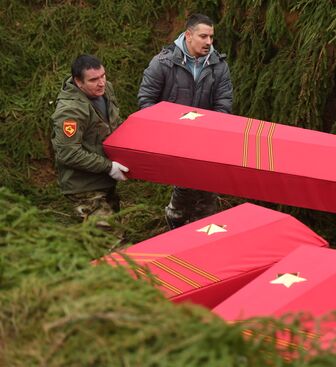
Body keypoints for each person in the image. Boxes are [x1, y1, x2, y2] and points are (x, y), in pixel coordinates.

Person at [137, 13, 233, 230]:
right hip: (174, 140)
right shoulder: (162, 63)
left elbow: (224, 104)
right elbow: (146, 100)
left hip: (206, 141)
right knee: (184, 186)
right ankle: (176, 224)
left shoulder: (219, 66)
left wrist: (212, 132)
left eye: (211, 37)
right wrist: (165, 131)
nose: (209, 42)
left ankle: (203, 236)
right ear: (188, 35)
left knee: (207, 193)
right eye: (203, 36)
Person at [51, 54, 129, 229]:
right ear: (79, 82)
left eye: (103, 76)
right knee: (111, 244)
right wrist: (109, 166)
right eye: (94, 79)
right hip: (84, 188)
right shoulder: (70, 111)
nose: (101, 82)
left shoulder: (106, 90)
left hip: (105, 181)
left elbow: (113, 125)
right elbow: (68, 153)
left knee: (107, 237)